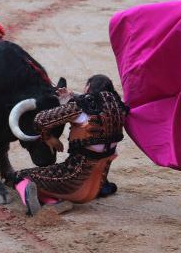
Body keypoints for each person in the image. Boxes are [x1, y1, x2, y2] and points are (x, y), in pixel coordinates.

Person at [14, 75, 129, 216]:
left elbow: (40, 120)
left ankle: (52, 202)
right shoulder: (120, 111)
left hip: (74, 180)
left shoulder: (80, 107)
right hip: (98, 185)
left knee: (21, 176)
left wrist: (49, 138)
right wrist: (69, 102)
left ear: (88, 88)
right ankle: (58, 199)